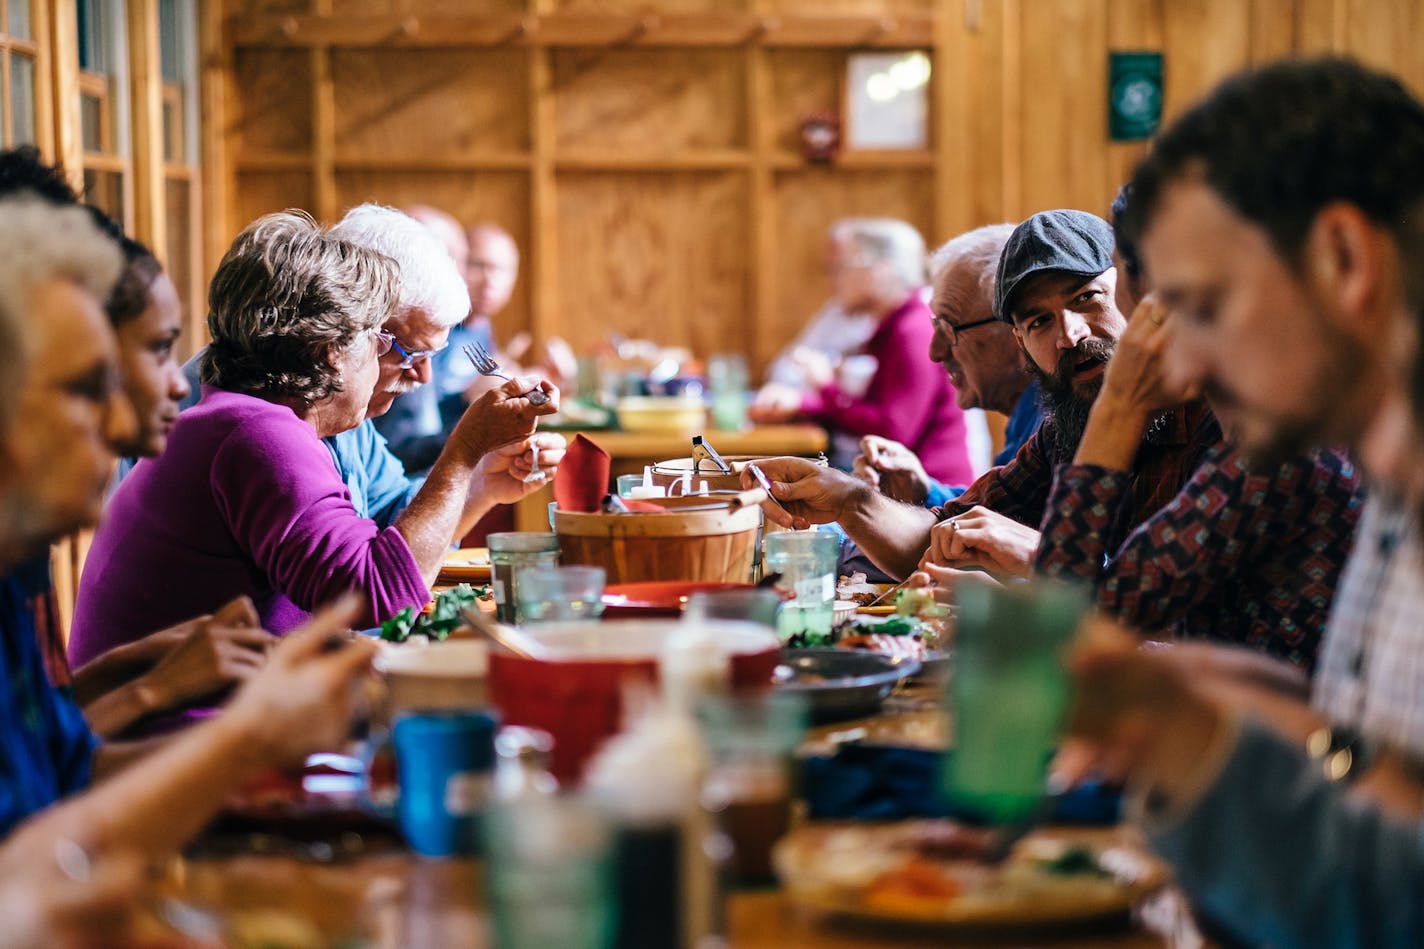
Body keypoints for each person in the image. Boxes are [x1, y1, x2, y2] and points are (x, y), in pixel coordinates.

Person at [1065, 57, 1424, 947]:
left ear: (1344, 259)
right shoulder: (1387, 484)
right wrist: (1257, 704)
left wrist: (1197, 739)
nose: (1179, 368)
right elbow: (1386, 781)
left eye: (1203, 306)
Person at [0, 195, 376, 853]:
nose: (175, 387)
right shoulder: (251, 429)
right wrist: (222, 723)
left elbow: (61, 768)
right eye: (88, 386)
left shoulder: (21, 565)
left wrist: (157, 684)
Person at [69, 211, 559, 669]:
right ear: (332, 350)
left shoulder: (254, 418)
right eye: (384, 343)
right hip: (176, 740)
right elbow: (374, 596)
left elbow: (378, 541)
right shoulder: (254, 434)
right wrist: (464, 452)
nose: (417, 373)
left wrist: (478, 485)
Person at [748, 210, 1220, 582]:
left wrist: (1038, 563)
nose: (1070, 335)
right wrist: (848, 499)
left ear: (1139, 296)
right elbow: (940, 536)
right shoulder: (1063, 430)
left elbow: (1173, 617)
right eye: (1038, 321)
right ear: (1020, 345)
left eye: (1085, 298)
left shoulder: (1223, 422)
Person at [748, 217, 975, 484]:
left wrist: (826, 387)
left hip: (934, 496)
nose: (832, 282)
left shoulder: (913, 331)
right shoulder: (892, 328)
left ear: (881, 270)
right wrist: (803, 404)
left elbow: (893, 432)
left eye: (840, 268)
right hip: (906, 490)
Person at [852, 223, 1042, 507]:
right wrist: (923, 491)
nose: (935, 352)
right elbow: (995, 512)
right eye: (935, 326)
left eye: (951, 330)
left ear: (1016, 330)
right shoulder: (1026, 417)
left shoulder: (1053, 425)